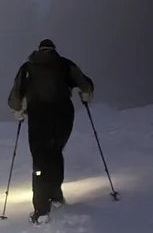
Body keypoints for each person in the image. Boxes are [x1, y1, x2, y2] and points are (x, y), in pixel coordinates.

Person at [7, 38, 94, 223]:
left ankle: (41, 209)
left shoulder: (28, 67)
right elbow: (85, 84)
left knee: (40, 158)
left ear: (39, 50)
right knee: (55, 152)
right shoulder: (64, 64)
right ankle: (55, 195)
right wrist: (85, 93)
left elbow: (15, 94)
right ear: (54, 50)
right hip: (63, 116)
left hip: (38, 117)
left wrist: (17, 109)